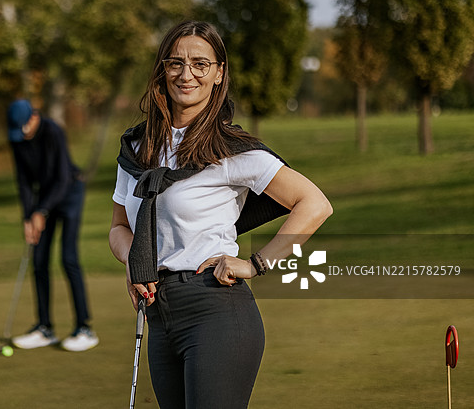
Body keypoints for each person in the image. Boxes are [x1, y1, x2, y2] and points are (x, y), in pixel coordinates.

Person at [108, 21, 333, 408]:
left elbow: (314, 204)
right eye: (176, 62)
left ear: (218, 73)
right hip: (159, 314)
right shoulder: (137, 148)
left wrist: (256, 264)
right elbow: (118, 227)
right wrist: (134, 260)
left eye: (200, 64)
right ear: (162, 69)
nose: (187, 74)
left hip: (215, 309)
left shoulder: (229, 148)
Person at [6, 99, 99, 352]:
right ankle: (44, 327)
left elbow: (62, 178)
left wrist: (41, 211)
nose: (21, 135)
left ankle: (84, 327)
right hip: (43, 200)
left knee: (68, 259)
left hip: (69, 193)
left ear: (34, 118)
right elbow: (24, 181)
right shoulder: (16, 137)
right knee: (39, 260)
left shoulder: (53, 131)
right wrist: (28, 217)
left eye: (24, 128)